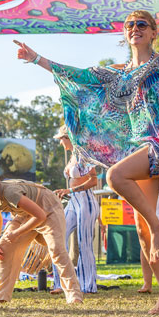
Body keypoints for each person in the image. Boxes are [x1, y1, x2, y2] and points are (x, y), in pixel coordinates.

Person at [15, 10, 159, 314]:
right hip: (144, 147)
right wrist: (37, 59)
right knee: (146, 230)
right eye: (130, 26)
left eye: (141, 25)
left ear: (153, 32)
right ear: (126, 35)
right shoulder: (119, 74)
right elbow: (78, 75)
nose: (134, 29)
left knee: (114, 176)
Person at [0, 165, 83, 305]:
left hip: (48, 206)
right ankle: (0, 296)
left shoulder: (10, 192)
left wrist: (17, 233)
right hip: (25, 213)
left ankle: (74, 295)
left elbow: (40, 215)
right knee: (4, 247)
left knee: (56, 249)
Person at [51, 125, 99, 295]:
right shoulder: (73, 156)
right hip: (73, 202)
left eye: (62, 139)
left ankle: (88, 285)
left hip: (86, 200)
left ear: (69, 138)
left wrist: (69, 190)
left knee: (84, 242)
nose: (61, 143)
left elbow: (94, 181)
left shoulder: (84, 154)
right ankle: (60, 283)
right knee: (57, 236)